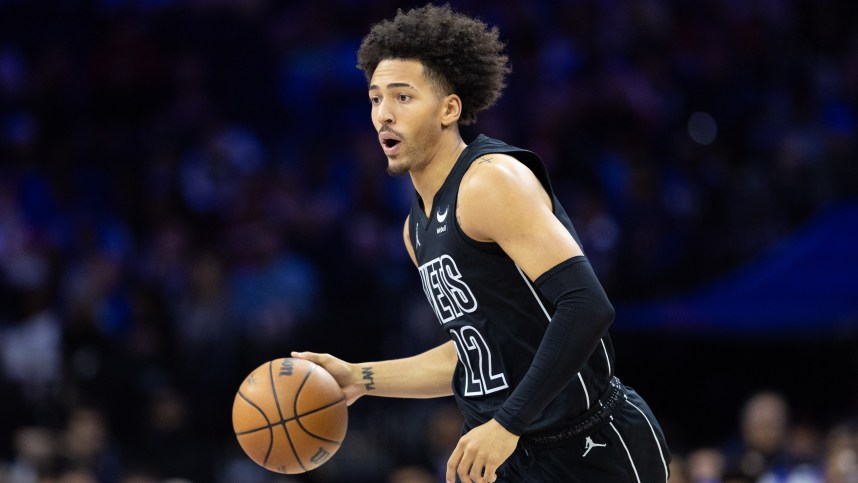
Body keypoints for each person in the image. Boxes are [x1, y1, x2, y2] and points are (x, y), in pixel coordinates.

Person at [292, 4, 671, 482]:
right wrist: (360, 378)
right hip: (510, 453)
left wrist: (507, 423)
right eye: (375, 99)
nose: (384, 115)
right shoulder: (416, 230)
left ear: (450, 108)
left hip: (589, 444)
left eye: (403, 97)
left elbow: (587, 306)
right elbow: (478, 354)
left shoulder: (489, 182)